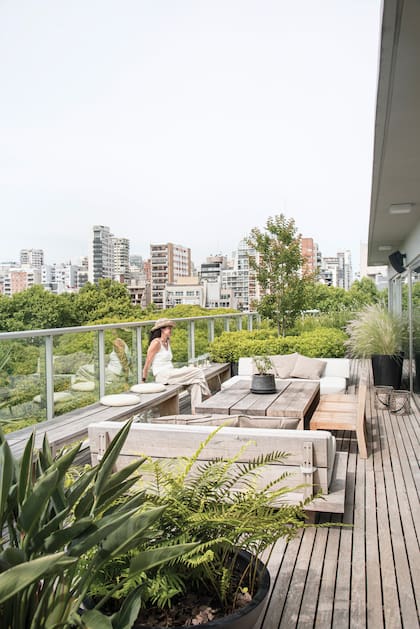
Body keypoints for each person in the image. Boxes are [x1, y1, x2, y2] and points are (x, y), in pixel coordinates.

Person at [142, 318, 210, 413]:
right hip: (163, 375)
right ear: (162, 329)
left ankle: (196, 413)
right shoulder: (156, 343)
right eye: (169, 328)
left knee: (196, 383)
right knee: (198, 371)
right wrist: (143, 380)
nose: (171, 330)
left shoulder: (167, 342)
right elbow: (147, 363)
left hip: (171, 373)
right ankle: (208, 397)